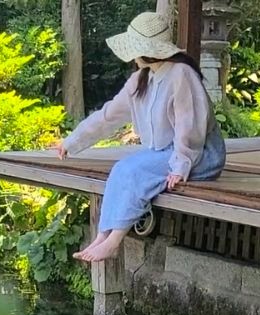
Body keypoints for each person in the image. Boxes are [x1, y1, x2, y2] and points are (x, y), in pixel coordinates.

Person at [52, 11, 226, 262]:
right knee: (120, 170)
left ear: (144, 50)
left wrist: (181, 164)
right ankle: (102, 236)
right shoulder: (141, 79)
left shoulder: (181, 74)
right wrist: (71, 142)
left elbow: (190, 125)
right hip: (165, 152)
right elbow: (108, 116)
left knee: (132, 170)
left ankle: (114, 241)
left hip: (200, 155)